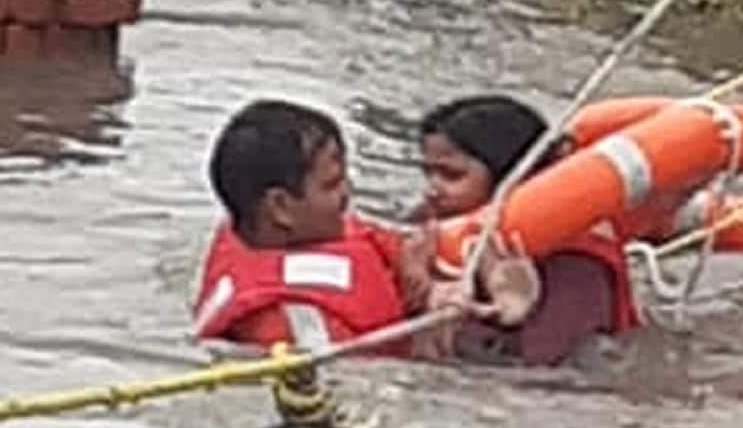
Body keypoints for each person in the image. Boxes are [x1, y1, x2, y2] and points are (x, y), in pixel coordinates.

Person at [192, 96, 539, 365]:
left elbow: (391, 243)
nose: (348, 194)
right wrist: (498, 313)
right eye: (331, 185)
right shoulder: (291, 328)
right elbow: (363, 392)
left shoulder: (297, 231)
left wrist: (427, 284)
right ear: (281, 207)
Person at [418, 93, 639, 363]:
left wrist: (512, 311)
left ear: (512, 176)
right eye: (428, 173)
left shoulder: (577, 265)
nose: (431, 190)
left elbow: (544, 373)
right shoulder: (433, 222)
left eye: (452, 175)